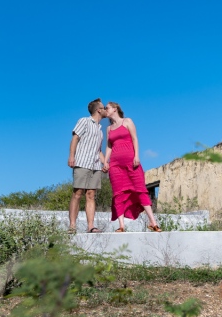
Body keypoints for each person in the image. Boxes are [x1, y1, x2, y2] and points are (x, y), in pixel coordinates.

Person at [103, 102, 161, 232]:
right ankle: (121, 226)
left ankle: (153, 222)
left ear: (114, 108)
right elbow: (109, 147)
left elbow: (135, 139)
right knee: (118, 193)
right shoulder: (109, 129)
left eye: (107, 108)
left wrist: (137, 156)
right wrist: (106, 162)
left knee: (140, 190)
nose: (105, 110)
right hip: (115, 166)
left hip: (131, 162)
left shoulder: (127, 121)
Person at [67, 98, 107, 234]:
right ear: (98, 110)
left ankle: (91, 226)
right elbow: (75, 139)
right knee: (77, 193)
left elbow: (99, 150)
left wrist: (105, 162)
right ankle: (72, 225)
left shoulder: (101, 130)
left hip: (95, 165)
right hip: (82, 162)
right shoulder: (84, 121)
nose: (106, 109)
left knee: (91, 194)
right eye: (104, 107)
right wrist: (72, 156)